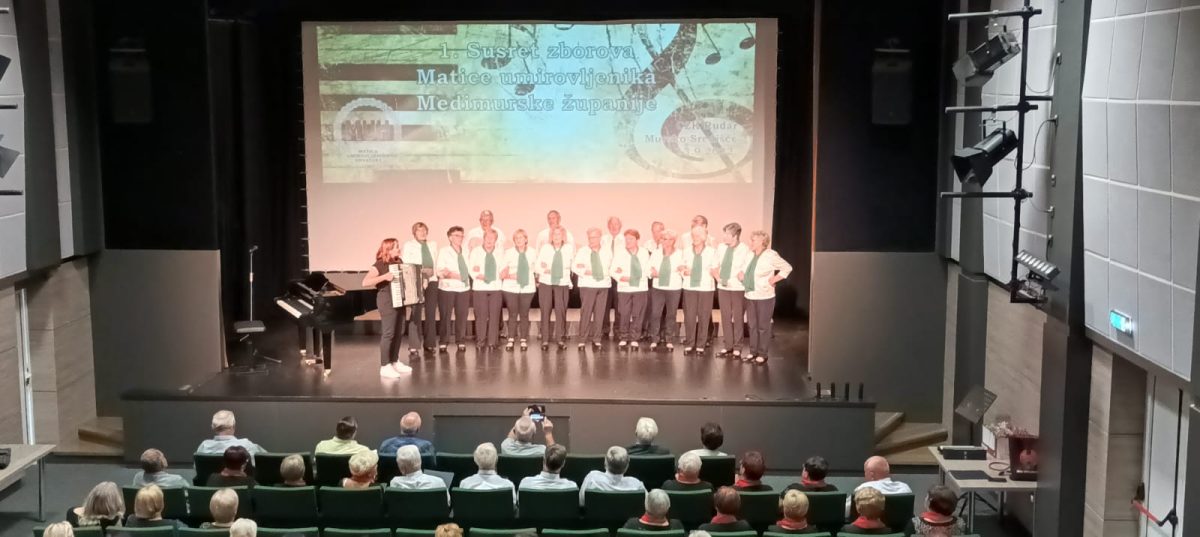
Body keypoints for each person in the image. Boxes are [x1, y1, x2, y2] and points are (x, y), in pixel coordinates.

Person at [737, 230, 792, 365]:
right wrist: (741, 275)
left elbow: (787, 267)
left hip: (765, 296)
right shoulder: (750, 255)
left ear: (762, 242)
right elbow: (743, 269)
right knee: (752, 326)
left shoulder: (770, 255)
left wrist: (775, 279)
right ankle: (753, 352)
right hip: (750, 294)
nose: (750, 242)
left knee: (763, 326)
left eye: (753, 240)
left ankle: (763, 354)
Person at [362, 237, 414, 378]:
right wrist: (384, 277)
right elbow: (365, 282)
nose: (399, 249)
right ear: (388, 249)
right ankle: (385, 366)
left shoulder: (399, 262)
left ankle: (394, 361)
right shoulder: (379, 264)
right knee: (389, 333)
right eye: (396, 247)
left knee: (399, 331)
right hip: (387, 301)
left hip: (399, 300)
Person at [713, 223, 751, 358]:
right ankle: (728, 346)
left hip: (737, 288)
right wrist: (718, 278)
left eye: (727, 234)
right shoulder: (721, 247)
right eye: (724, 233)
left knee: (738, 317)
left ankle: (738, 347)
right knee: (725, 316)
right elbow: (714, 265)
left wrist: (739, 277)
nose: (724, 237)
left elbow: (745, 269)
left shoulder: (745, 249)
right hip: (723, 287)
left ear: (735, 236)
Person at [402, 221, 440, 353]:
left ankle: (430, 343)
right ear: (414, 233)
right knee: (416, 312)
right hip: (416, 280)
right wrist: (422, 271)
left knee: (430, 312)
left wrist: (433, 273)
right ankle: (414, 345)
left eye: (424, 230)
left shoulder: (433, 244)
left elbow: (436, 262)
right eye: (419, 230)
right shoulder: (409, 245)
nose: (422, 233)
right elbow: (406, 264)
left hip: (432, 280)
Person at [611, 229, 651, 349]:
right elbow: (613, 270)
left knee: (638, 314)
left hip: (640, 287)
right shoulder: (620, 253)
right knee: (624, 313)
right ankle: (623, 337)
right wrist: (621, 276)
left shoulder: (644, 252)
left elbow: (647, 269)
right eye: (626, 239)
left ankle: (634, 338)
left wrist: (631, 276)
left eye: (631, 239)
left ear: (637, 240)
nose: (628, 241)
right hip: (624, 288)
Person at [679, 226, 717, 354]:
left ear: (703, 238)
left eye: (697, 236)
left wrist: (695, 272)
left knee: (704, 316)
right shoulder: (686, 251)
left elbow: (714, 269)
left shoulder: (712, 252)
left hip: (706, 288)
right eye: (693, 236)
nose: (694, 238)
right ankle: (689, 343)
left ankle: (701, 344)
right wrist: (684, 271)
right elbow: (681, 267)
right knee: (689, 316)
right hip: (689, 287)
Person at [573, 227, 612, 350]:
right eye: (590, 237)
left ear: (600, 238)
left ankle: (597, 339)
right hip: (587, 285)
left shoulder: (607, 251)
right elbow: (575, 266)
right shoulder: (582, 251)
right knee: (586, 313)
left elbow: (610, 268)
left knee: (600, 314)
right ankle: (582, 340)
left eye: (594, 237)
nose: (591, 240)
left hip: (603, 285)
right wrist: (587, 270)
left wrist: (591, 269)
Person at [536, 226, 575, 349]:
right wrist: (547, 269)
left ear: (563, 236)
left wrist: (549, 267)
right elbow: (538, 266)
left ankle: (560, 339)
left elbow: (570, 265)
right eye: (554, 234)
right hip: (546, 282)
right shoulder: (545, 248)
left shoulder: (569, 248)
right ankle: (545, 340)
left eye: (559, 234)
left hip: (562, 283)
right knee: (545, 310)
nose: (556, 237)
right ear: (551, 236)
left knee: (561, 311)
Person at [646, 230, 684, 351]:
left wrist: (681, 270)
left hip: (674, 288)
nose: (666, 242)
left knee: (671, 314)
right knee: (655, 313)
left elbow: (682, 269)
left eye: (669, 239)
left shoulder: (680, 254)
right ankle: (655, 339)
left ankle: (669, 339)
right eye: (664, 239)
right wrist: (652, 272)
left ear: (674, 241)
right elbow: (649, 268)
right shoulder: (656, 253)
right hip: (658, 288)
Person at [436, 226, 472, 351]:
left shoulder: (466, 251)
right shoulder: (444, 251)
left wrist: (453, 273)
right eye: (457, 235)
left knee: (462, 315)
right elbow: (440, 271)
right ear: (450, 237)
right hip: (447, 289)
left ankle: (460, 340)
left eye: (462, 236)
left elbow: (470, 269)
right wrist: (456, 275)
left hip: (463, 288)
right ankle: (443, 341)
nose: (460, 238)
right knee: (445, 316)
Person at [502, 229, 538, 351]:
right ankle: (511, 339)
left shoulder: (533, 252)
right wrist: (510, 276)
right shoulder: (508, 253)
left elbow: (537, 269)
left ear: (526, 239)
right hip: (510, 287)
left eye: (521, 237)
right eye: (516, 238)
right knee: (512, 314)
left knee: (524, 314)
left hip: (527, 287)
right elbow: (502, 271)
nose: (519, 240)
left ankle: (523, 339)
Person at [469, 229, 505, 349]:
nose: (489, 240)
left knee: (495, 316)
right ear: (483, 239)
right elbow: (471, 268)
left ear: (496, 240)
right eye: (487, 238)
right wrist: (478, 274)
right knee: (481, 316)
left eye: (492, 238)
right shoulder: (475, 252)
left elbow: (503, 268)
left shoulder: (500, 252)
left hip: (496, 287)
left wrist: (502, 273)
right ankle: (480, 341)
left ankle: (492, 342)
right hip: (480, 287)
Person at [579, 446, 646, 505]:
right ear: (627, 467)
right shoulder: (637, 486)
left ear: (605, 462)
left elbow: (581, 503)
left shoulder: (592, 479)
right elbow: (648, 506)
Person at [196, 410, 266, 461]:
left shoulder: (204, 446)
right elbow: (267, 460)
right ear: (233, 426)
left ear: (213, 427)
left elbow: (197, 468)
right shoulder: (247, 445)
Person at [640, 221, 667, 339]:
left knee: (662, 308)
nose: (656, 234)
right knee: (648, 306)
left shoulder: (667, 244)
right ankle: (646, 331)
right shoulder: (647, 244)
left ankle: (661, 332)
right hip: (650, 280)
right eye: (654, 231)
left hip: (664, 280)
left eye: (659, 231)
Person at [599, 216, 625, 338]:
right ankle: (604, 329)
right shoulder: (602, 239)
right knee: (604, 304)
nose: (614, 227)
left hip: (619, 277)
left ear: (620, 226)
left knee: (620, 305)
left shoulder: (625, 240)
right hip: (605, 276)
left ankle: (618, 330)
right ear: (608, 226)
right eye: (611, 224)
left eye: (616, 224)